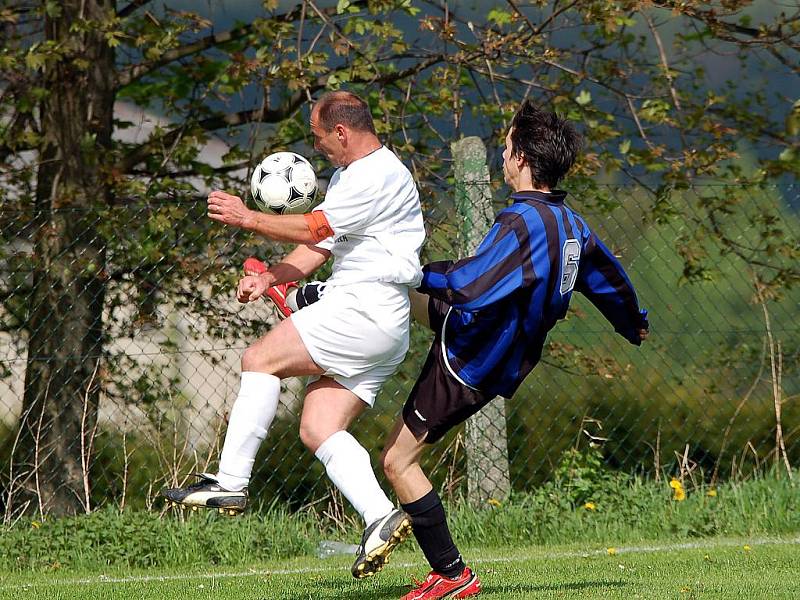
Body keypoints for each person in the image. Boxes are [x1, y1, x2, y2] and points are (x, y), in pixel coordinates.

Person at [271, 100, 649, 599]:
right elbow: (606, 278)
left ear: (522, 160)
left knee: (397, 462)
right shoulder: (569, 223)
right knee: (395, 296)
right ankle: (309, 296)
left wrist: (411, 270)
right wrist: (633, 321)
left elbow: (472, 284)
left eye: (508, 145)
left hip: (470, 358)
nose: (503, 152)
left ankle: (452, 576)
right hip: (486, 335)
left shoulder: (522, 224)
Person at [161, 90, 426, 579]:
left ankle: (230, 480)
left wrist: (247, 217)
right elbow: (324, 244)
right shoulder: (355, 174)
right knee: (319, 426)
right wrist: (272, 277)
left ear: (342, 132)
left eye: (318, 135)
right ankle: (379, 515)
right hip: (383, 323)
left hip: (363, 308)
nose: (317, 144)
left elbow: (313, 226)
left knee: (259, 358)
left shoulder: (377, 175)